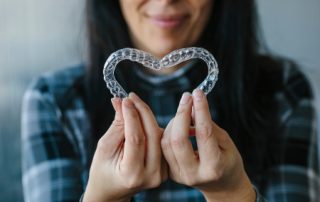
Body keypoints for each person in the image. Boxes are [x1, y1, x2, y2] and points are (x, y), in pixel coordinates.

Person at [21, 0, 319, 201]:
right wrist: (103, 197)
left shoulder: (282, 90)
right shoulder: (54, 101)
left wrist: (233, 193)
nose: (165, 0)